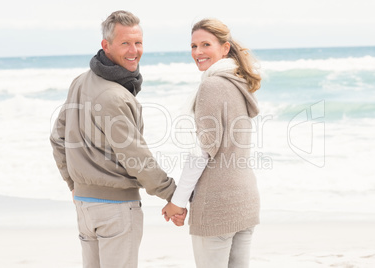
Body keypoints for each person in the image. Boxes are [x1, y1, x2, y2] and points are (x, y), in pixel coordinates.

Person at [50, 10, 184, 268]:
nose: (134, 50)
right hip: (116, 210)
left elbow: (58, 139)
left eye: (138, 42)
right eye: (125, 43)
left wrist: (73, 184)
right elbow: (136, 158)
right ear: (106, 45)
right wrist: (172, 195)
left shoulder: (80, 82)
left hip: (85, 206)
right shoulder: (115, 96)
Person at [162, 18, 262, 268]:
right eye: (194, 46)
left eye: (206, 44)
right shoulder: (239, 83)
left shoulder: (212, 85)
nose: (198, 52)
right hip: (245, 200)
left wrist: (177, 201)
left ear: (225, 48)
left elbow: (202, 152)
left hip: (217, 205)